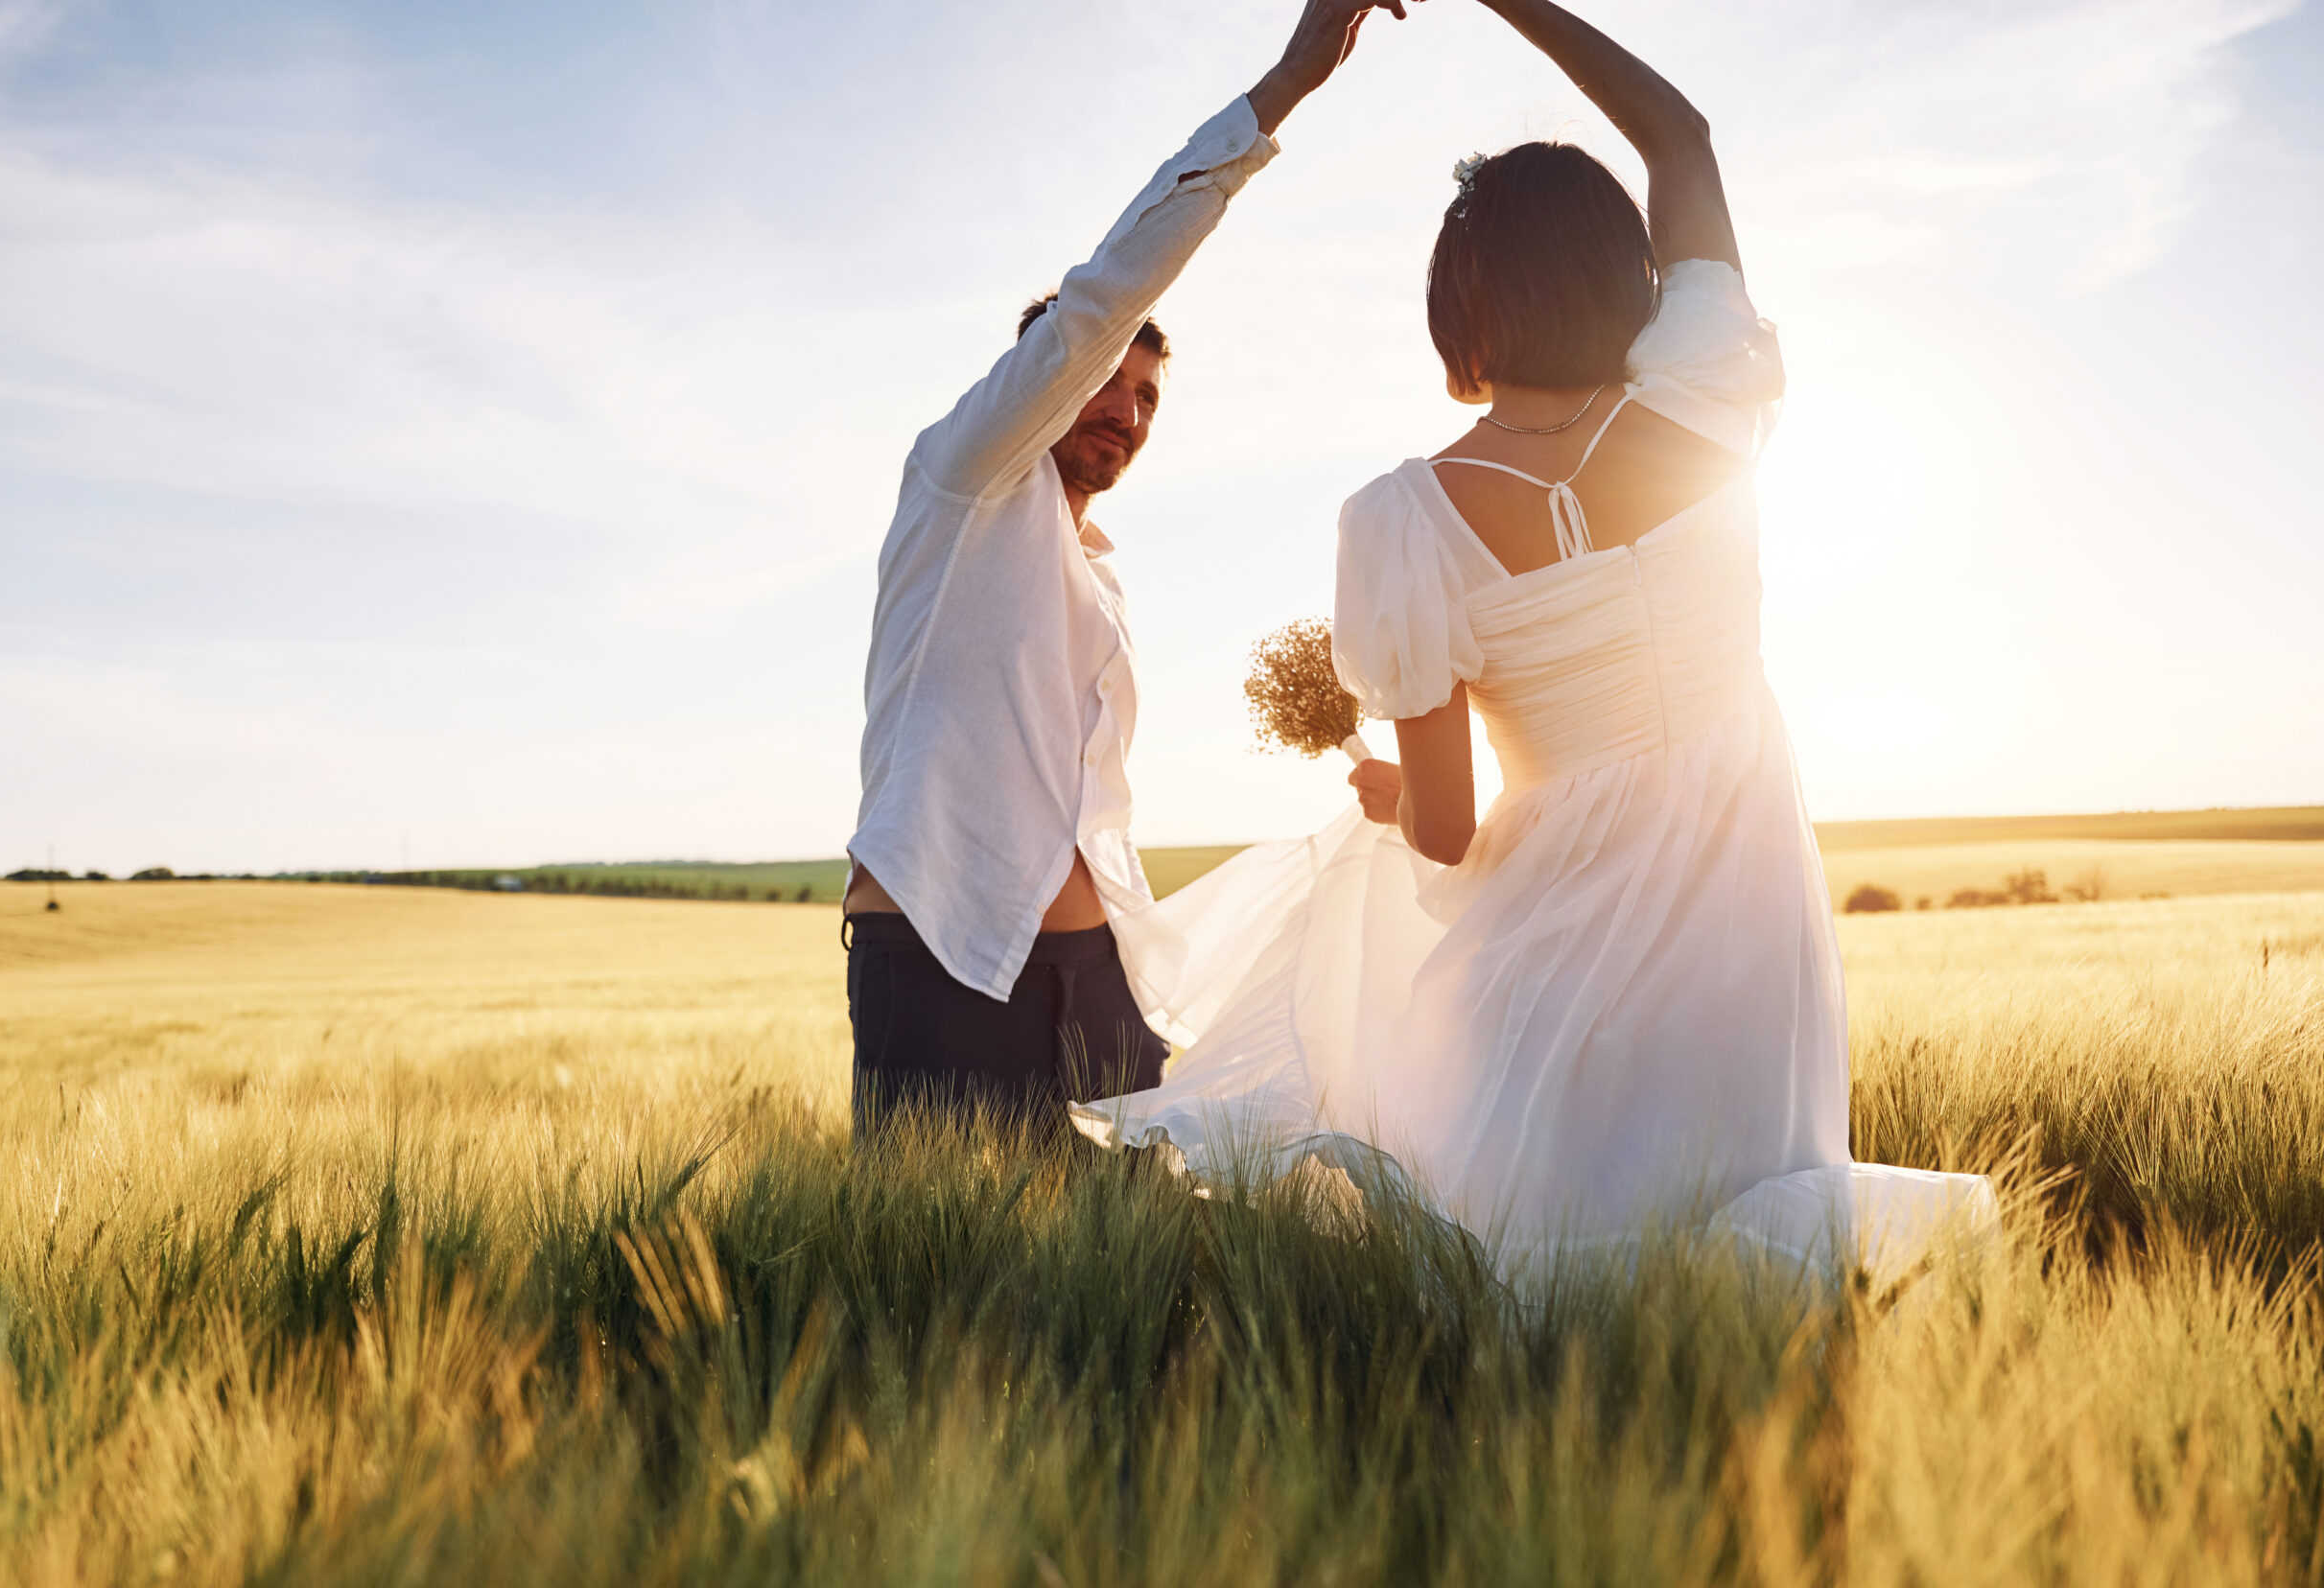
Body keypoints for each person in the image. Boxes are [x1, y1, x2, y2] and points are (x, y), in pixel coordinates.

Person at [1079, 0, 1993, 1274]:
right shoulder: (1708, 401)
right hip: (1750, 911)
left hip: (1557, 943)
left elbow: (1449, 828)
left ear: (1463, 308)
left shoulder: (1402, 520)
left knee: (1556, 1261)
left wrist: (1394, 793)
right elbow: (1679, 138)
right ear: (1627, 277)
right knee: (1751, 1236)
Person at [844, 0, 1417, 1133]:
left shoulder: (1097, 570)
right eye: (1109, 381)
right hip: (948, 962)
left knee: (1139, 1278)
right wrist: (1285, 88)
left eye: (1150, 398)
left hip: (1096, 975)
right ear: (1042, 379)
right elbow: (1101, 297)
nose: (1129, 411)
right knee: (954, 1303)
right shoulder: (957, 483)